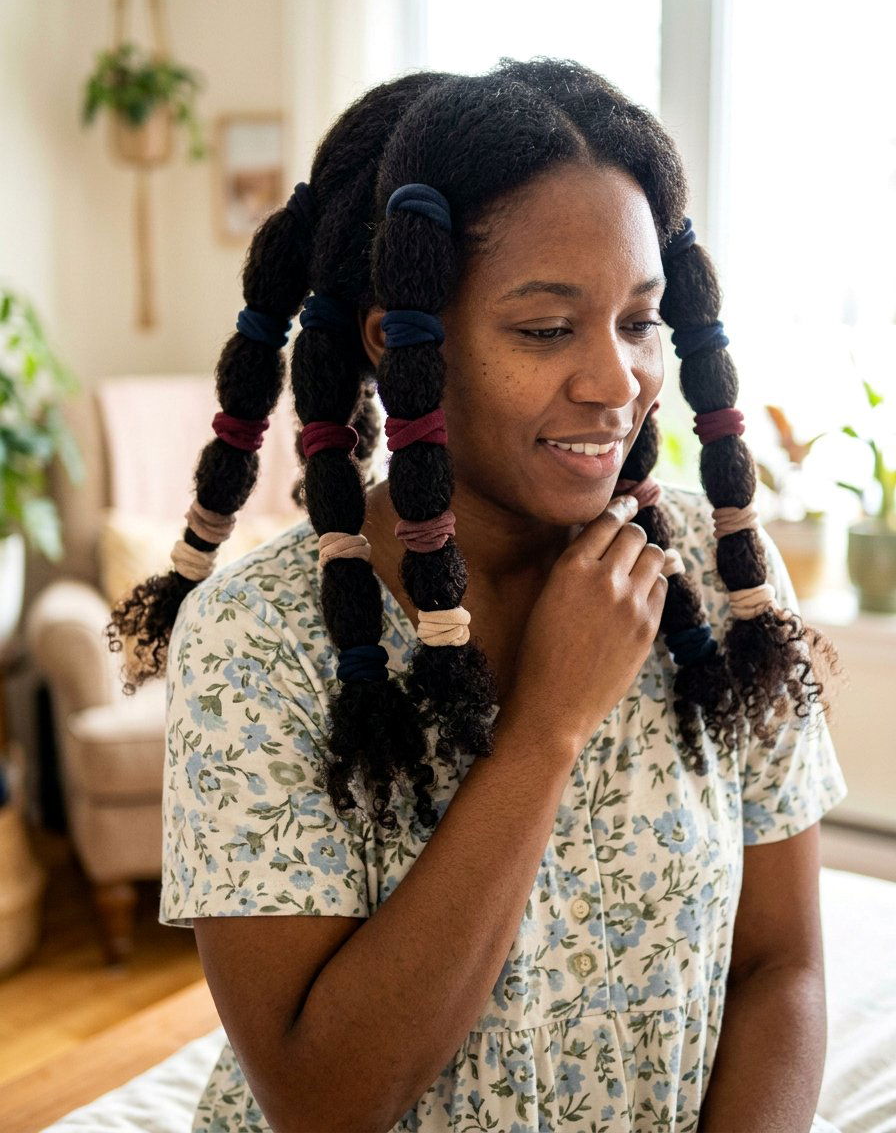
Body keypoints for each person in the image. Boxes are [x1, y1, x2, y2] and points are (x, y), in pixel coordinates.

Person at [106, 58, 848, 1133]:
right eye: (545, 329)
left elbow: (781, 967)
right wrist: (543, 731)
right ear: (395, 341)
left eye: (639, 321)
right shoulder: (261, 640)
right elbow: (323, 1101)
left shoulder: (713, 568)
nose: (615, 382)